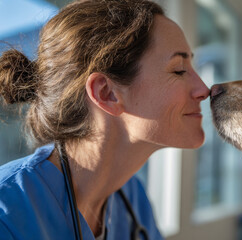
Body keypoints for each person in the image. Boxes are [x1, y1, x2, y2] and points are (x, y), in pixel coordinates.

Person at [0, 0, 210, 239]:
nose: (204, 89)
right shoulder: (6, 215)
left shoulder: (132, 197)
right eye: (179, 70)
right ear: (106, 94)